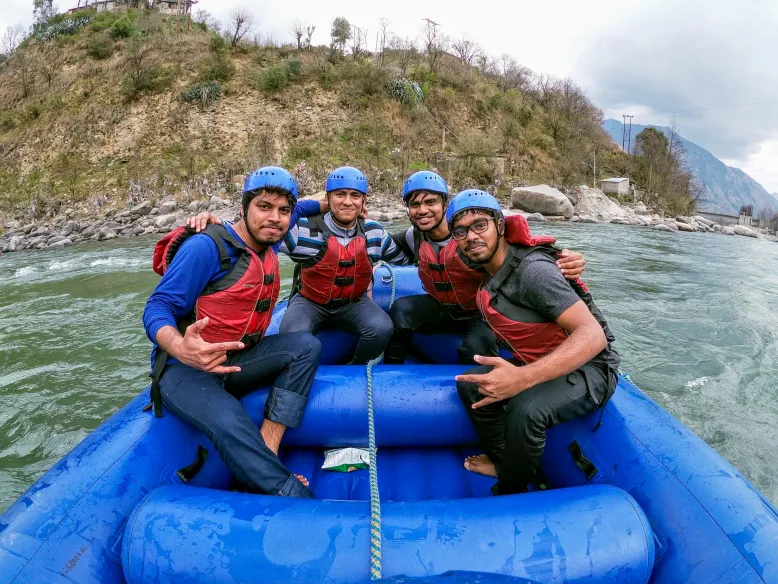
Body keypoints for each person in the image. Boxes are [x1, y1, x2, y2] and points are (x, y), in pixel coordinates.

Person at [143, 166, 322, 498]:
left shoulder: (272, 232)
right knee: (231, 420)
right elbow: (156, 307)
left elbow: (307, 206)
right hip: (186, 369)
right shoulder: (206, 248)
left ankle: (268, 450)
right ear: (244, 208)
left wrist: (333, 202)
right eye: (264, 207)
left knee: (306, 345)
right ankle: (289, 493)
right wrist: (181, 347)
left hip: (237, 357)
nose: (276, 217)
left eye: (283, 211)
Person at [448, 189, 620, 495]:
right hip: (544, 356)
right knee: (472, 386)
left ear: (500, 226)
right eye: (460, 231)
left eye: (480, 225)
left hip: (592, 365)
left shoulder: (533, 272)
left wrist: (522, 378)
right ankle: (505, 461)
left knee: (526, 409)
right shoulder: (489, 270)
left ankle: (512, 489)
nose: (471, 236)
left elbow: (592, 336)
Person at [383, 170, 586, 365]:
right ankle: (390, 371)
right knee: (401, 310)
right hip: (444, 307)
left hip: (483, 312)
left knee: (476, 350)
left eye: (431, 202)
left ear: (445, 204)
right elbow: (377, 243)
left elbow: (524, 252)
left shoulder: (478, 237)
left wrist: (569, 259)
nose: (423, 210)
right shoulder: (413, 236)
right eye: (415, 204)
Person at [276, 166, 410, 364]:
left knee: (382, 328)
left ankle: (354, 369)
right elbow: (259, 234)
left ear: (363, 201)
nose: (348, 201)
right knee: (292, 337)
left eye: (355, 196)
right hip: (310, 302)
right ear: (328, 198)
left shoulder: (374, 232)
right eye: (340, 194)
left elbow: (405, 259)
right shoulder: (303, 230)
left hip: (354, 303)